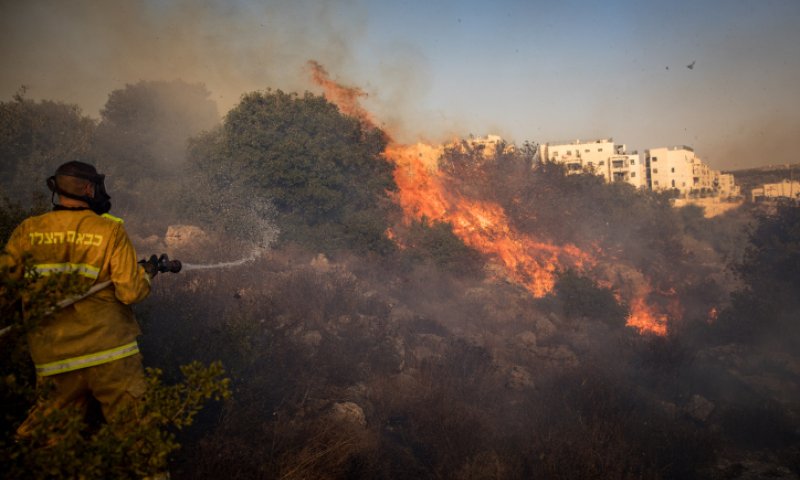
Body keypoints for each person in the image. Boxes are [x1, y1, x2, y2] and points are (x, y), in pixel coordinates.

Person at [2, 160, 158, 438]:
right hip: (111, 355)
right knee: (138, 439)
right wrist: (146, 274)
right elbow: (131, 292)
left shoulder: (29, 231)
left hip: (56, 359)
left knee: (49, 444)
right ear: (88, 188)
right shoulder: (109, 230)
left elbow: (4, 292)